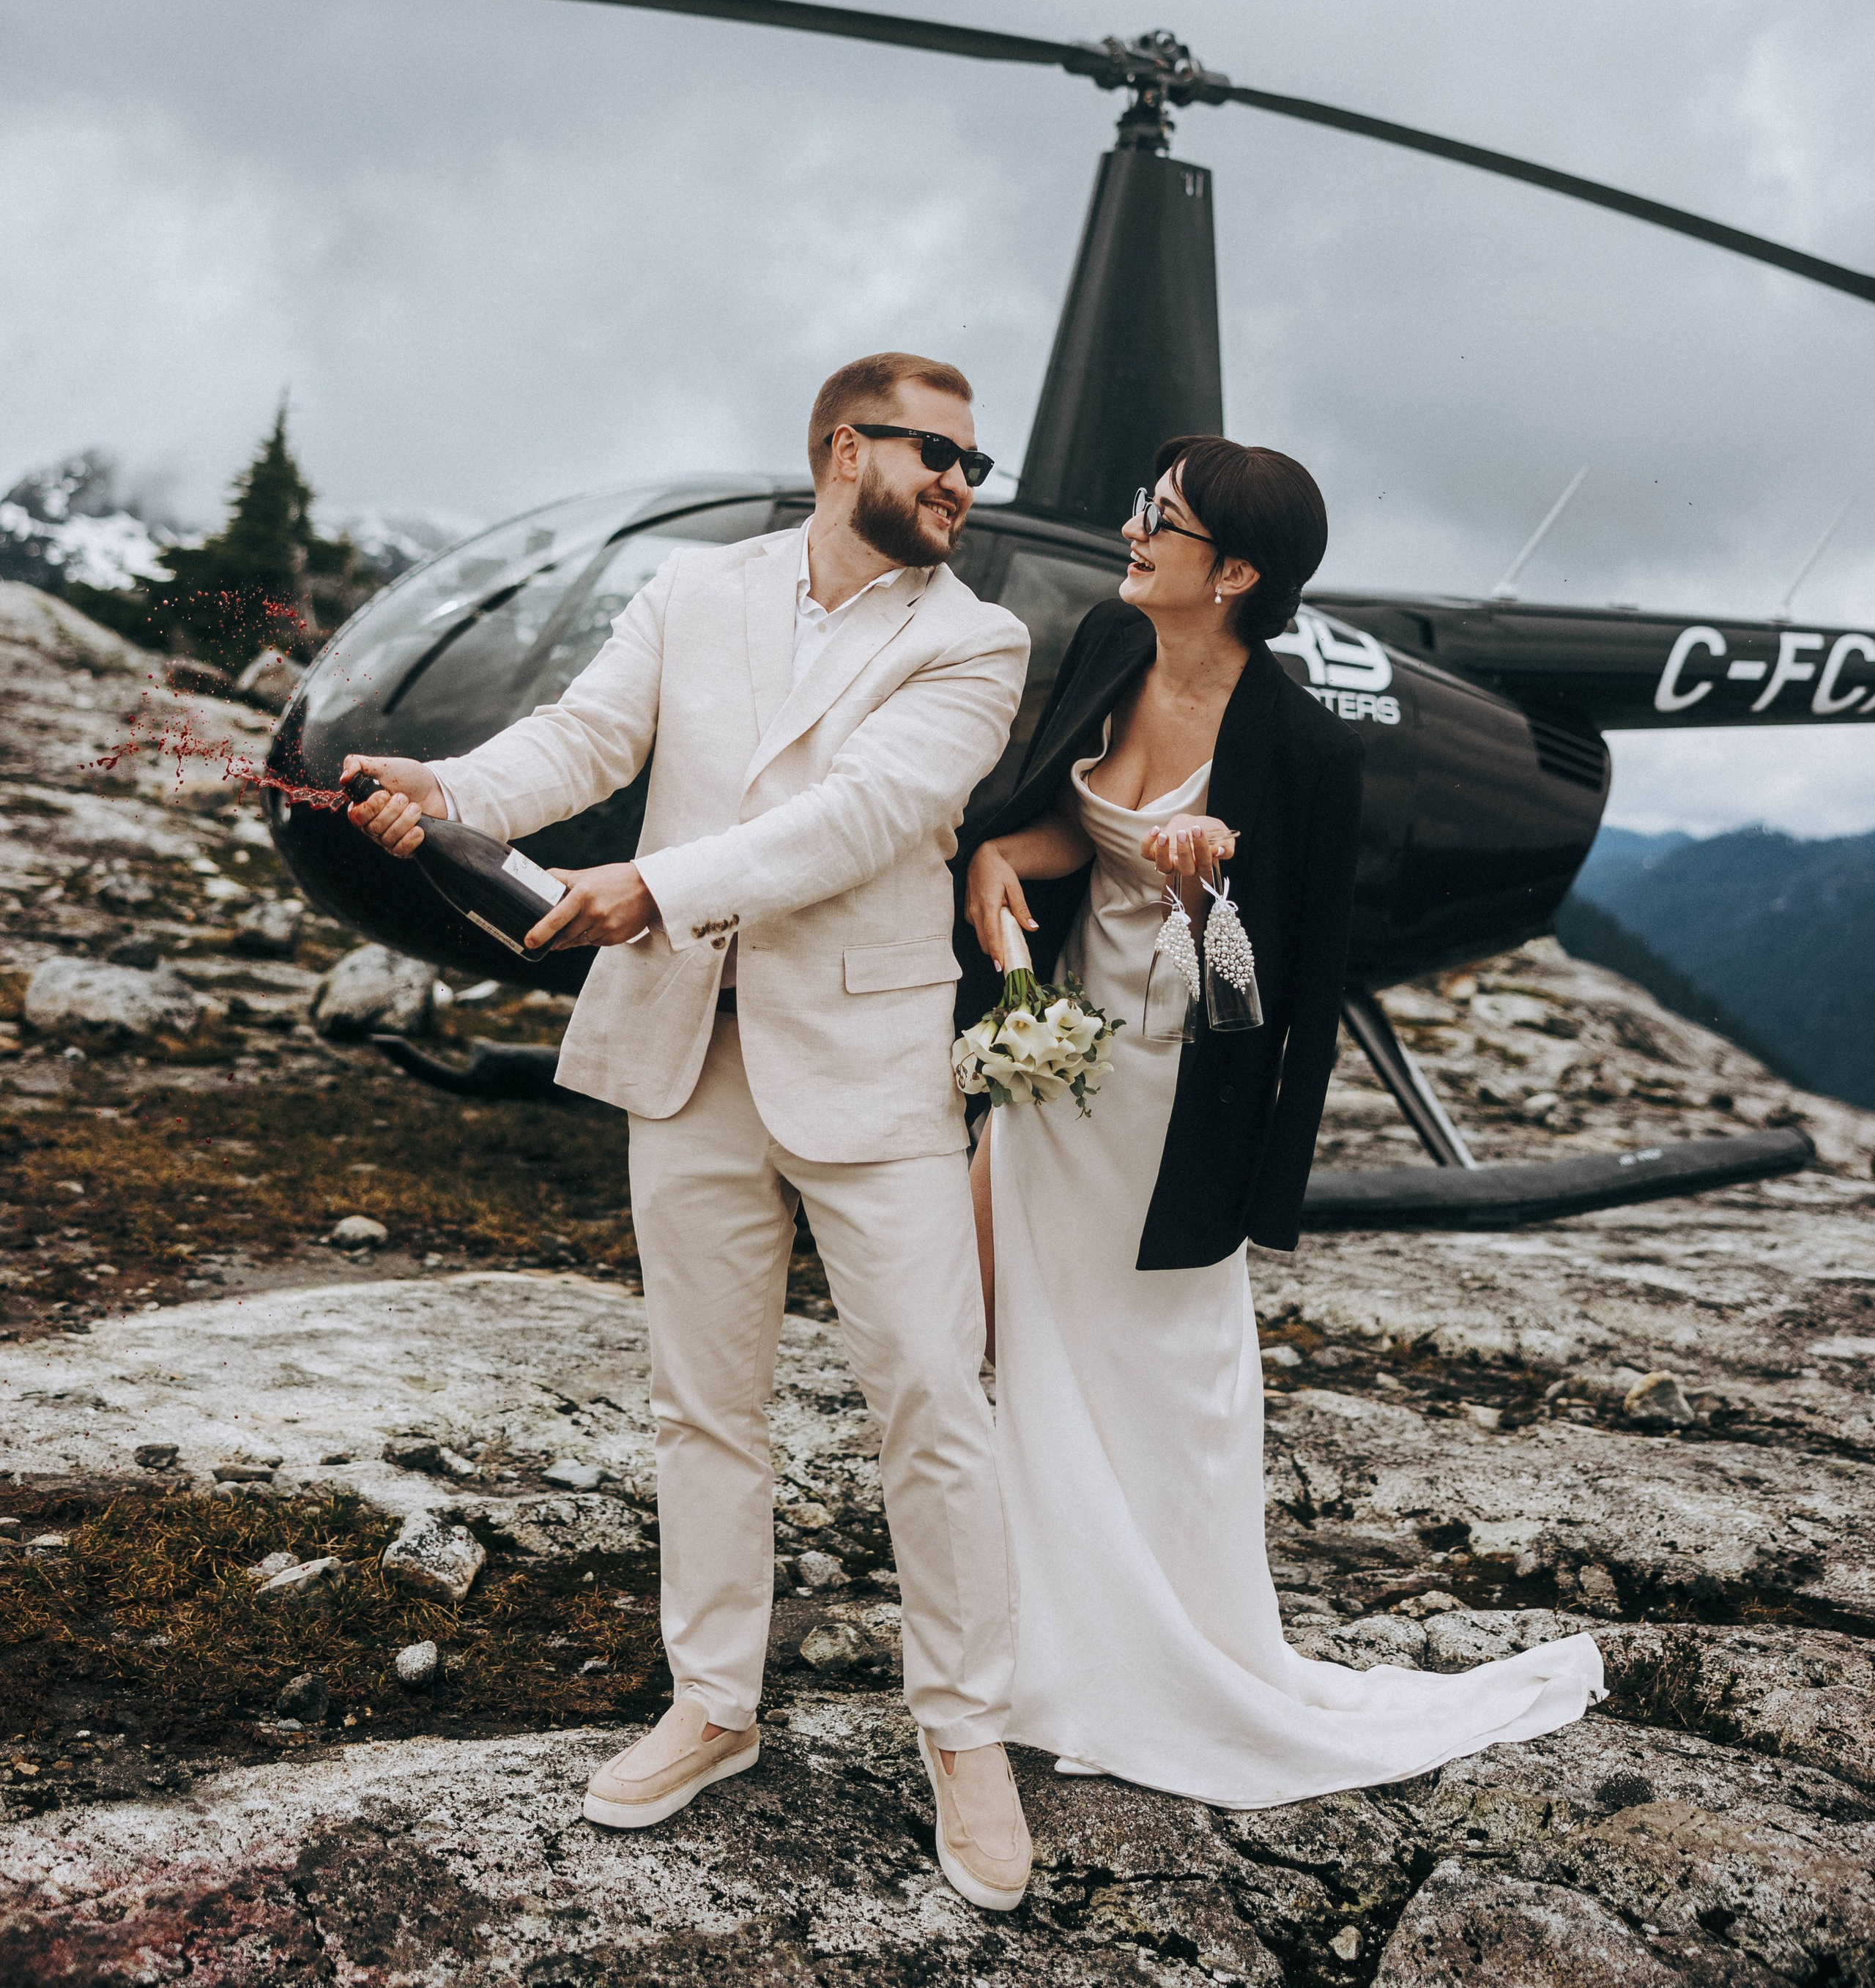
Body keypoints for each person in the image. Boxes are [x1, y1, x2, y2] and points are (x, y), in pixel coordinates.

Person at [346, 353, 1036, 1913]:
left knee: (931, 1393)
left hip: (864, 1056)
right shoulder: (691, 588)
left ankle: (965, 1736)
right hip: (682, 1050)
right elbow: (583, 742)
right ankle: (712, 1705)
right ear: (840, 444)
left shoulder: (975, 638)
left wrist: (647, 887)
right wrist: (445, 785)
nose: (960, 483)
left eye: (973, 463)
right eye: (937, 451)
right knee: (699, 1404)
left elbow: (857, 817)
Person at [958, 435, 1605, 1805]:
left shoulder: (1305, 749)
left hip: (1179, 1099)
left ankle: (1186, 1648)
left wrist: (1208, 900)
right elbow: (1071, 827)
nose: (1132, 532)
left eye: (1163, 519)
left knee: (1169, 1369)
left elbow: (1287, 994)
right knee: (1041, 1346)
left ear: (1236, 570)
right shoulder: (1104, 647)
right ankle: (1048, 1635)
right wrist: (1001, 859)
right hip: (1062, 1065)